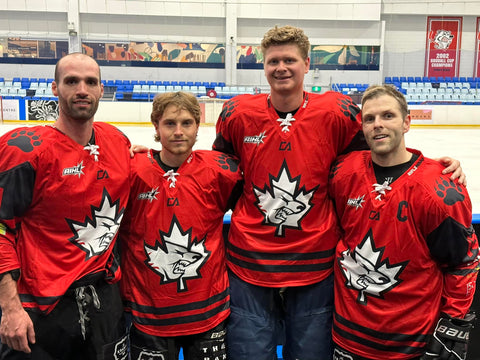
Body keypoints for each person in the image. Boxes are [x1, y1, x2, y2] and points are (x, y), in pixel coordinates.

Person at [212, 25, 465, 360]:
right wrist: (149, 160)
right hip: (249, 264)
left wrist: (430, 166)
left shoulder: (339, 111)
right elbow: (219, 174)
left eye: (289, 59)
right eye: (273, 61)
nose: (281, 67)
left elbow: (378, 153)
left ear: (306, 63)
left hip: (316, 266)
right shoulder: (237, 113)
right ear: (263, 65)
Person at [328, 85, 478, 360]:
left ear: (407, 122)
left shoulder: (440, 190)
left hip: (410, 344)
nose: (378, 125)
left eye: (388, 116)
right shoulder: (342, 171)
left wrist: (451, 325)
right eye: (370, 119)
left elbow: (463, 263)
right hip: (347, 338)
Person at [0, 53, 131, 360]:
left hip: (103, 301)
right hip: (40, 308)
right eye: (71, 81)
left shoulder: (118, 141)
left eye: (90, 82)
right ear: (55, 88)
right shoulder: (23, 151)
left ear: (101, 90)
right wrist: (9, 308)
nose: (82, 89)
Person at [119, 91, 242, 360]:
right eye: (169, 123)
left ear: (198, 126)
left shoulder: (220, 171)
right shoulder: (131, 169)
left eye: (187, 123)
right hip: (150, 314)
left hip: (208, 311)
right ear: (156, 126)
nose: (178, 131)